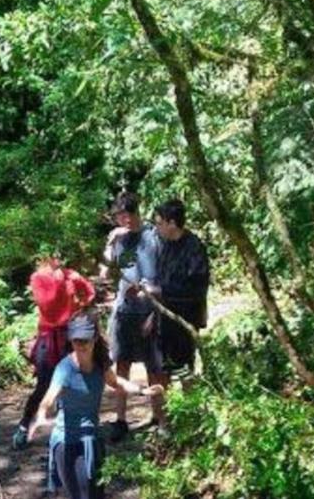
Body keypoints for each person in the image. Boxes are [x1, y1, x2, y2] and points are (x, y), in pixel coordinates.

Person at [28, 311, 162, 499]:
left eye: (85, 341)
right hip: (69, 443)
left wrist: (142, 391)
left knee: (98, 497)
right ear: (71, 341)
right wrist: (41, 415)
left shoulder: (101, 362)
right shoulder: (65, 368)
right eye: (76, 342)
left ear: (94, 338)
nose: (81, 346)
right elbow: (50, 397)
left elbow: (117, 383)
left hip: (92, 440)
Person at [12, 256, 96, 451]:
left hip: (71, 335)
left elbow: (89, 292)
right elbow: (47, 305)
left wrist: (79, 305)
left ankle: (68, 428)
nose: (57, 260)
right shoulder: (38, 278)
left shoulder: (70, 275)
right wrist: (61, 280)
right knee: (44, 385)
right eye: (51, 257)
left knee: (75, 383)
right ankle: (24, 427)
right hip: (49, 338)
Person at [103, 191, 165, 440]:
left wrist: (156, 309)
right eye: (118, 217)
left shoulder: (153, 237)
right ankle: (120, 420)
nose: (122, 220)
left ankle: (159, 418)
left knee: (154, 367)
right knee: (122, 365)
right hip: (124, 312)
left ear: (134, 213)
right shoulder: (120, 239)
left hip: (149, 311)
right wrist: (110, 242)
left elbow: (163, 274)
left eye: (125, 215)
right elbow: (108, 273)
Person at [152, 198, 210, 383]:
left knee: (185, 371)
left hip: (186, 319)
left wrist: (161, 290)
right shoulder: (165, 246)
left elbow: (196, 287)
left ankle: (189, 410)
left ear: (172, 223)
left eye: (160, 223)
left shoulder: (194, 247)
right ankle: (164, 412)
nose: (157, 228)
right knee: (163, 369)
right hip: (165, 319)